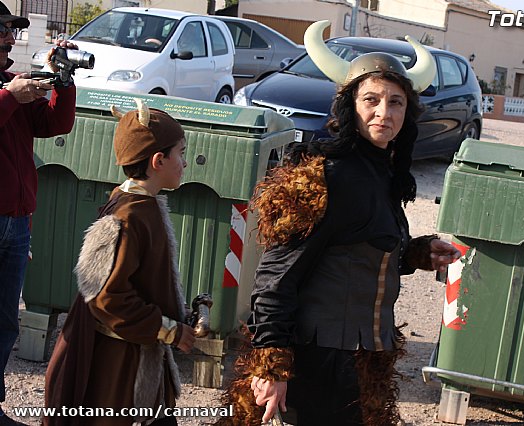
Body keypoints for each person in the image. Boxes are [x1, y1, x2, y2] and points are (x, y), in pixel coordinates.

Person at [222, 20, 461, 426]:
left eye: (396, 102)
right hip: (320, 364)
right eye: (371, 100)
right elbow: (276, 277)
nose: (384, 112)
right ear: (350, 106)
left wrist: (416, 252)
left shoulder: (383, 171)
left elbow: (358, 251)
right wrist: (272, 368)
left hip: (360, 362)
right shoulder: (331, 177)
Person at [44, 99, 196, 426]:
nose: (184, 163)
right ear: (158, 160)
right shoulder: (127, 217)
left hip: (141, 359)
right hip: (123, 369)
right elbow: (104, 297)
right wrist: (169, 331)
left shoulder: (144, 205)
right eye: (180, 153)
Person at [0, 2, 77, 425]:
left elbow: (54, 126)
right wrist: (9, 97)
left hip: (15, 224)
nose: (9, 40)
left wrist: (63, 82)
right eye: (2, 31)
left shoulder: (10, 84)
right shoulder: (7, 90)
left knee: (4, 324)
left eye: (11, 32)